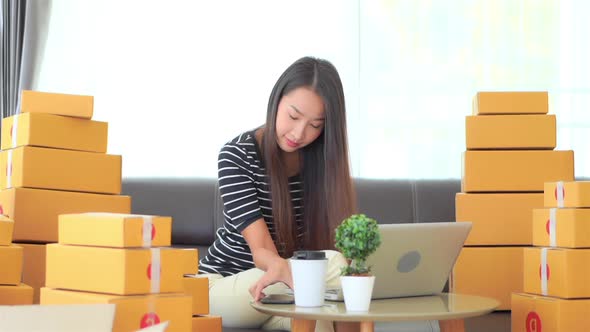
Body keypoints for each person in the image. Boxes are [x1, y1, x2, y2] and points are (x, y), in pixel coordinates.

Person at [199, 56, 358, 332]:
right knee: (333, 264)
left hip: (283, 293)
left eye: (315, 125)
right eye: (293, 116)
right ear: (276, 100)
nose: (299, 132)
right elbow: (262, 250)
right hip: (224, 287)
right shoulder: (237, 155)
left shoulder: (321, 166)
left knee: (318, 319)